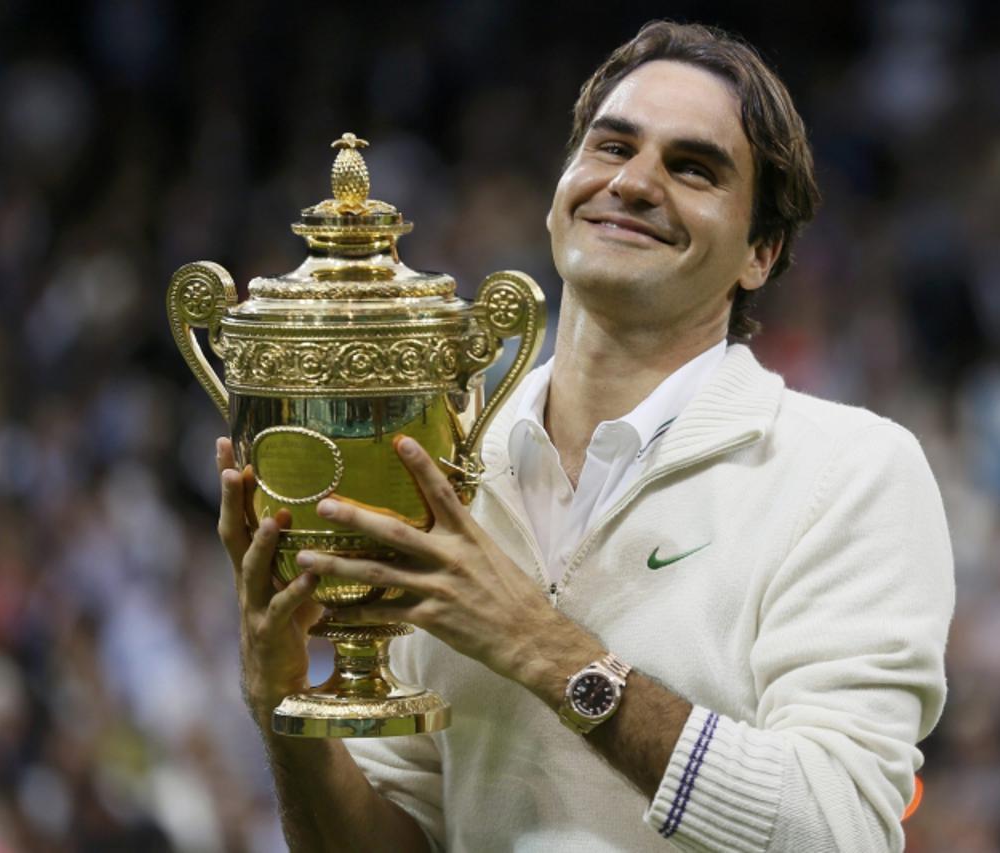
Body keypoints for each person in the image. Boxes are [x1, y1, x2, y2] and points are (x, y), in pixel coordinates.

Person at [215, 20, 954, 852]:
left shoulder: (848, 473)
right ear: (561, 188)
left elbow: (840, 828)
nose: (634, 183)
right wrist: (276, 700)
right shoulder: (445, 470)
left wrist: (540, 644)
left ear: (761, 252)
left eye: (692, 167)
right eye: (611, 147)